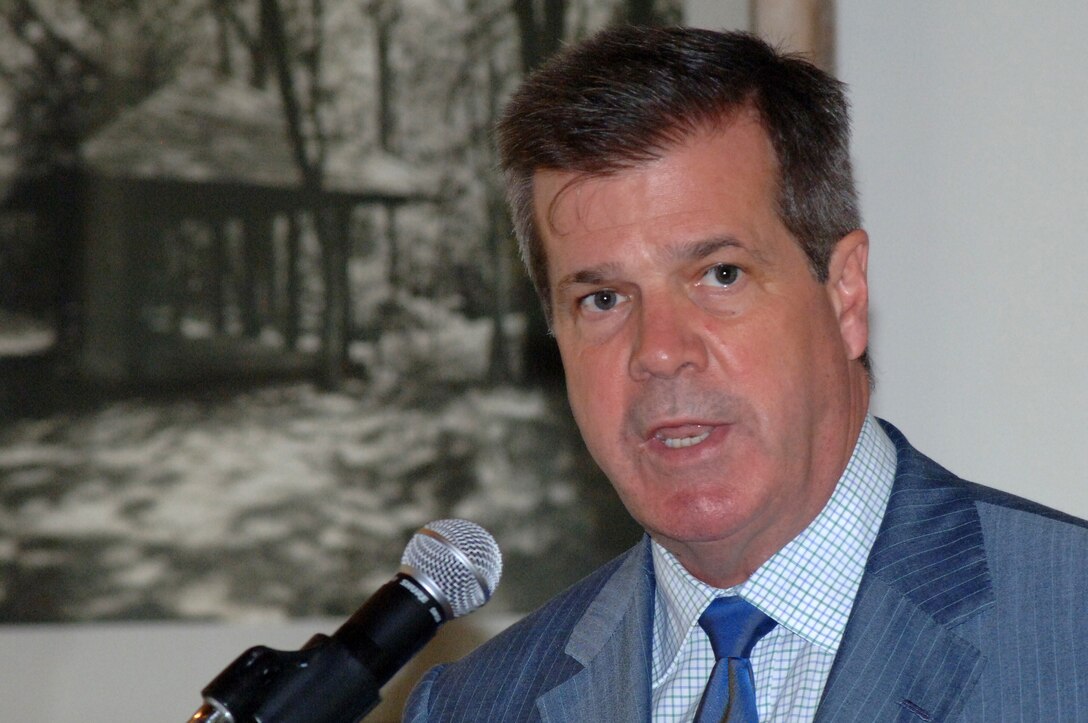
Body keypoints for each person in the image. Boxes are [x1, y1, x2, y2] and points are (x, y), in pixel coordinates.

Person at [404, 25, 1088, 722]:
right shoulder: (476, 705)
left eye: (719, 274)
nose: (659, 350)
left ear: (845, 292)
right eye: (602, 298)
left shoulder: (1070, 626)